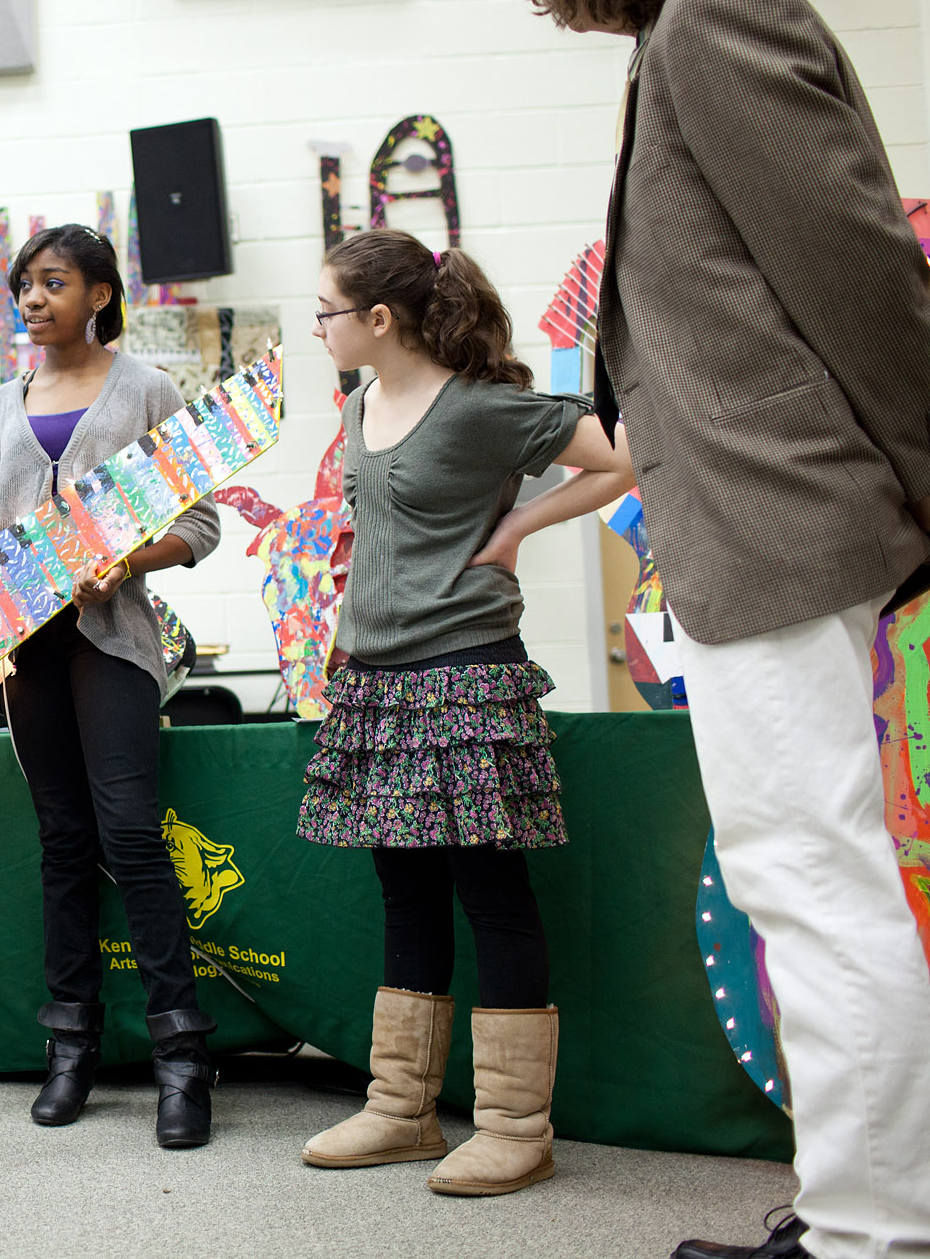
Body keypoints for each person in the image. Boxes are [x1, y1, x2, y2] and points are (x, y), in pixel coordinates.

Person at [515, 0, 930, 1253]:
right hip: (750, 532)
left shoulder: (717, 10)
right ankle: (858, 1207)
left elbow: (861, 275)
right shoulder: (674, 32)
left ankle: (875, 1227)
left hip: (788, 521)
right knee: (796, 874)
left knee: (815, 874)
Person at [295, 229, 633, 1197]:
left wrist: (521, 525)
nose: (317, 326)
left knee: (492, 895)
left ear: (379, 318)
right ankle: (401, 1112)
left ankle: (516, 1128)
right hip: (376, 679)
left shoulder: (481, 408)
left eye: (327, 311)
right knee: (405, 894)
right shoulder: (361, 406)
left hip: (465, 675)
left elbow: (621, 458)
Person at [0, 223, 223, 1149]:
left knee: (131, 836)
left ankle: (183, 1059)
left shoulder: (147, 388)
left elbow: (204, 523)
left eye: (52, 282)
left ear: (99, 293)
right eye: (24, 284)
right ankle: (71, 1044)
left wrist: (128, 558)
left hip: (114, 643)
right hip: (26, 651)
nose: (32, 298)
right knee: (62, 841)